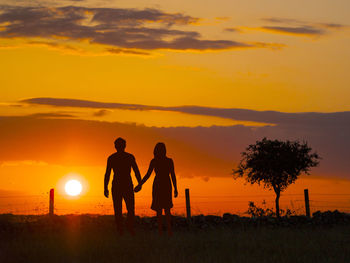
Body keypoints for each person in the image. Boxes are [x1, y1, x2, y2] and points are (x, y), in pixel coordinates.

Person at [134, 142, 178, 236]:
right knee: (163, 209)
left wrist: (175, 188)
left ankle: (165, 231)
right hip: (161, 184)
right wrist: (139, 184)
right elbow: (148, 175)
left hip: (163, 184)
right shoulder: (157, 161)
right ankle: (163, 231)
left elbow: (173, 175)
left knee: (165, 209)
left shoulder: (166, 161)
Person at [104, 137, 142, 235]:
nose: (119, 147)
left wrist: (140, 183)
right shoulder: (124, 157)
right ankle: (123, 229)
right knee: (123, 209)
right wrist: (105, 187)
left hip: (124, 185)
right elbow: (107, 174)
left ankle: (125, 229)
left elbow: (136, 171)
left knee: (124, 209)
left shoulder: (116, 157)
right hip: (121, 185)